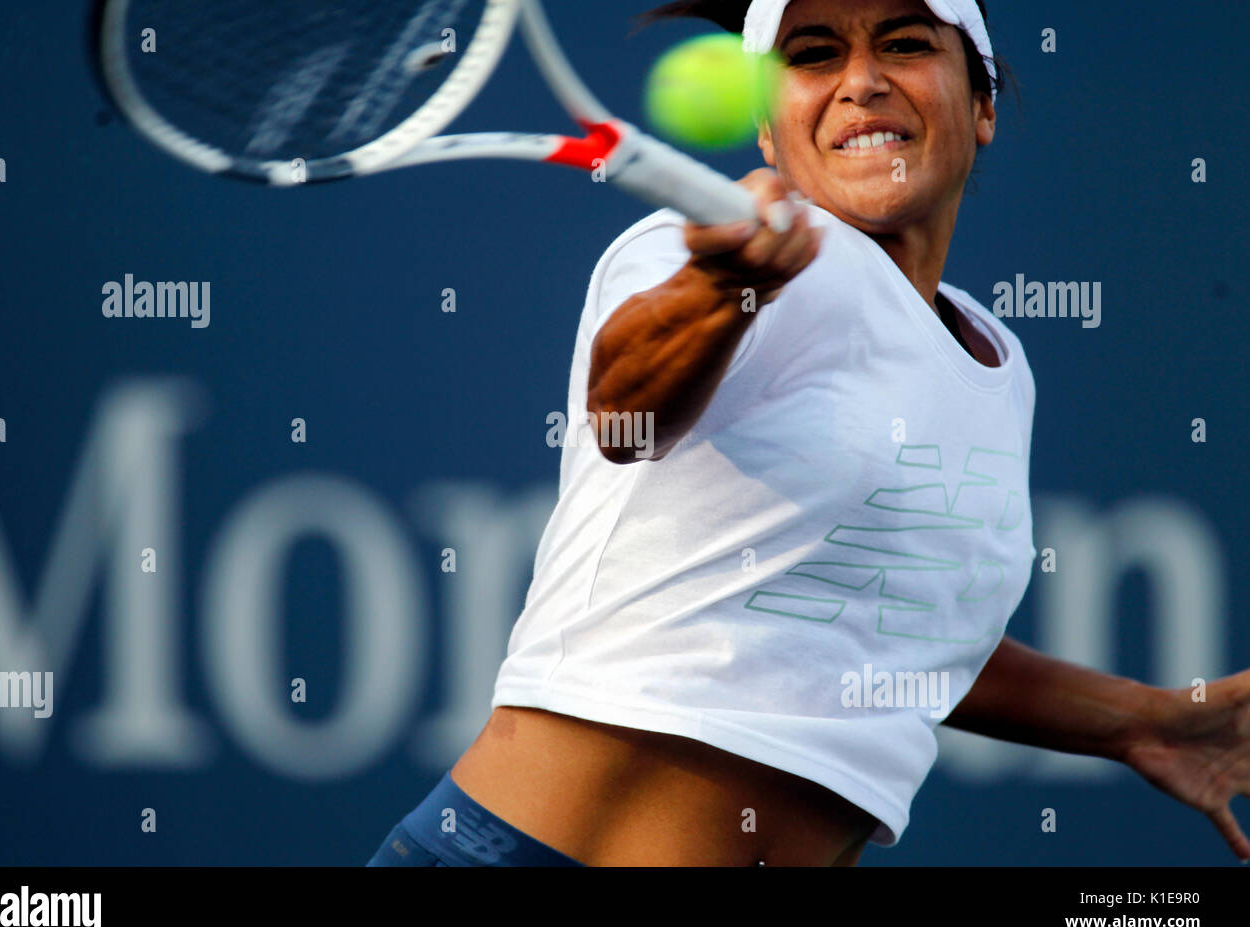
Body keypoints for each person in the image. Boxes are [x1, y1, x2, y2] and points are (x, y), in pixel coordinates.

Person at [368, 0, 1250, 867]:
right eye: (814, 55)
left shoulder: (998, 361)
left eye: (905, 44)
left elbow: (897, 634)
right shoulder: (691, 252)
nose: (861, 82)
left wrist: (1145, 719)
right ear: (767, 131)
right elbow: (624, 415)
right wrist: (723, 288)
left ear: (981, 107)